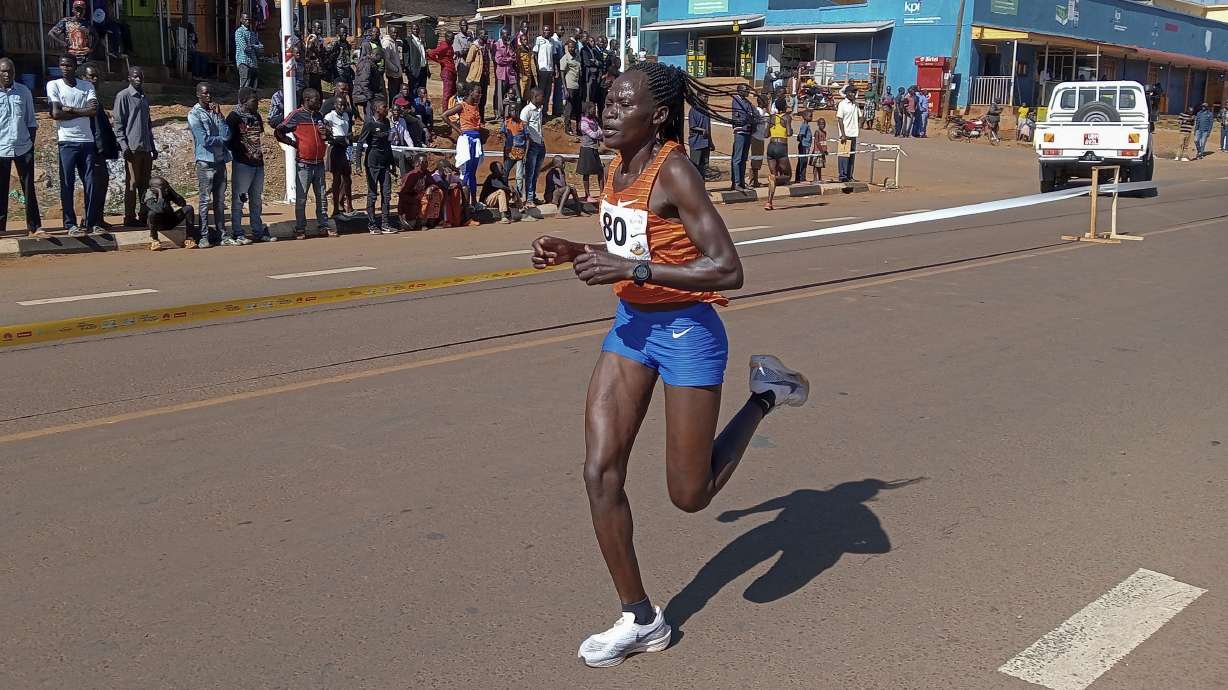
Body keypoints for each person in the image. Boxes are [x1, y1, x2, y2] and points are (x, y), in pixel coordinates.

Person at [528, 61, 810, 668]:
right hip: (632, 327)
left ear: (655, 116)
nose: (607, 111)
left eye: (621, 103)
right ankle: (640, 617)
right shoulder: (615, 166)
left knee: (690, 494)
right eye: (606, 100)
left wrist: (633, 271)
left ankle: (765, 394)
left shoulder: (674, 170)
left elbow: (729, 269)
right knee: (599, 472)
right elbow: (636, 248)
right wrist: (577, 251)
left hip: (688, 333)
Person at [47, 54, 99, 237]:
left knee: (91, 183)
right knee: (67, 183)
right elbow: (56, 113)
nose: (65, 68)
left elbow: (93, 111)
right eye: (62, 65)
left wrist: (70, 109)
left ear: (75, 67)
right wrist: (81, 112)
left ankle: (91, 222)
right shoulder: (54, 85)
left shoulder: (87, 85)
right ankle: (70, 224)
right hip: (66, 141)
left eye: (68, 65)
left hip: (87, 141)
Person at [275, 87, 333, 239]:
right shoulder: (296, 115)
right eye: (317, 100)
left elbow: (326, 136)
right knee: (301, 199)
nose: (320, 102)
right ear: (307, 100)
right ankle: (300, 228)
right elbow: (279, 130)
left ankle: (323, 225)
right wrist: (293, 144)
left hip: (319, 162)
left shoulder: (319, 116)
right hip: (304, 164)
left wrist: (327, 133)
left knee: (321, 197)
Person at [0, 57, 43, 237]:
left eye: (10, 71)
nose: (7, 74)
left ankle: (34, 227)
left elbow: (31, 122)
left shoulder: (23, 91)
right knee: (1, 189)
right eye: (3, 71)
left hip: (23, 146)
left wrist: (30, 146)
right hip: (1, 148)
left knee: (28, 189)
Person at [187, 82, 231, 247]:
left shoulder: (214, 112)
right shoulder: (194, 115)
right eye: (205, 93)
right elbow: (204, 139)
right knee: (205, 200)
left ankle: (222, 234)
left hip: (220, 161)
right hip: (205, 162)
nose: (209, 96)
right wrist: (222, 139)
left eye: (210, 93)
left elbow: (227, 133)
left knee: (220, 200)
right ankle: (204, 235)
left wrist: (219, 116)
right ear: (198, 94)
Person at [113, 66, 156, 229]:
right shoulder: (123, 96)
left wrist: (153, 146)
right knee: (132, 183)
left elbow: (148, 124)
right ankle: (129, 216)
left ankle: (144, 214)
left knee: (145, 184)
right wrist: (123, 145)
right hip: (132, 148)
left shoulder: (144, 97)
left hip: (145, 147)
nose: (139, 79)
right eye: (135, 76)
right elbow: (118, 124)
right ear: (129, 78)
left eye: (141, 77)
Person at [227, 88, 270, 244]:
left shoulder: (256, 116)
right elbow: (228, 140)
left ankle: (257, 231)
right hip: (242, 164)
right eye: (254, 100)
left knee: (256, 199)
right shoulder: (234, 117)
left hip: (258, 163)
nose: (257, 103)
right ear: (243, 101)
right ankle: (237, 232)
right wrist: (241, 152)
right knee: (239, 199)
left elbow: (258, 137)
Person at [82, 65, 118, 234]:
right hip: (93, 149)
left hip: (100, 149)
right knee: (95, 184)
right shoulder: (86, 98)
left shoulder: (95, 97)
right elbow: (94, 127)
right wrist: (100, 148)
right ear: (84, 78)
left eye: (97, 77)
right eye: (91, 77)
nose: (95, 80)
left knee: (101, 183)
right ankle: (91, 221)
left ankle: (98, 218)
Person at [355, 97, 398, 234]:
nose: (387, 109)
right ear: (377, 109)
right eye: (384, 107)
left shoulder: (386, 122)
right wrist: (357, 164)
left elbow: (388, 144)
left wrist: (392, 163)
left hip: (385, 162)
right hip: (372, 162)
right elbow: (360, 143)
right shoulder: (369, 123)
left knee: (386, 194)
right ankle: (372, 224)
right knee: (373, 194)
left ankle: (385, 223)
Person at [442, 83, 484, 207]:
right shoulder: (462, 106)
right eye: (478, 92)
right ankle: (462, 202)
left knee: (472, 172)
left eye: (480, 92)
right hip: (467, 140)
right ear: (471, 92)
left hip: (476, 140)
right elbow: (444, 115)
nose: (479, 95)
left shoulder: (476, 106)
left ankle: (474, 201)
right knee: (465, 172)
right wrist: (457, 129)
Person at [323, 87, 356, 217]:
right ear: (335, 105)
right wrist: (330, 135)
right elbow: (322, 126)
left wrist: (349, 137)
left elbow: (348, 129)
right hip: (336, 148)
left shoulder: (347, 115)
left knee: (348, 179)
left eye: (344, 105)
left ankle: (349, 205)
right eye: (340, 105)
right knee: (336, 179)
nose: (342, 107)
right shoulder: (330, 116)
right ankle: (336, 208)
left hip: (346, 148)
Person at [145, 176, 196, 251]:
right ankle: (155, 240)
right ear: (153, 188)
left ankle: (189, 239)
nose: (166, 188)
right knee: (152, 213)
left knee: (188, 208)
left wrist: (172, 191)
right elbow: (159, 210)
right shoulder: (149, 196)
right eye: (163, 187)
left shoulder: (166, 191)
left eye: (166, 186)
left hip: (170, 220)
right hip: (158, 225)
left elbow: (182, 203)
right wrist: (160, 195)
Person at [396, 154, 442, 230]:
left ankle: (430, 221)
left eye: (426, 162)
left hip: (418, 203)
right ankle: (418, 222)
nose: (426, 164)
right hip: (409, 209)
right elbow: (403, 195)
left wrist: (430, 188)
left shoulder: (426, 173)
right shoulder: (412, 176)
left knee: (437, 192)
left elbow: (435, 183)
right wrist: (416, 202)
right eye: (423, 162)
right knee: (424, 198)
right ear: (417, 163)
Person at [763, 96, 792, 211]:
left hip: (771, 146)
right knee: (788, 176)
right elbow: (789, 133)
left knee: (773, 175)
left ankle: (769, 202)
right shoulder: (787, 117)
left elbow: (766, 135)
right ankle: (775, 178)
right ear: (785, 107)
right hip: (781, 147)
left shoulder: (771, 118)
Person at [520, 87, 546, 206]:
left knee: (536, 173)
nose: (543, 98)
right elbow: (523, 130)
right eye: (541, 96)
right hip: (532, 146)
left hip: (540, 144)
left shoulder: (540, 109)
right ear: (535, 97)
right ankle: (529, 199)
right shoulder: (526, 111)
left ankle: (533, 196)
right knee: (529, 173)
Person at [48, 1, 94, 66]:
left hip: (85, 57)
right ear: (73, 10)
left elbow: (96, 36)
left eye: (82, 10)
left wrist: (92, 48)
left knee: (83, 74)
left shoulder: (87, 24)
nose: (79, 12)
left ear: (84, 11)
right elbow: (51, 33)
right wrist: (62, 42)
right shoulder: (66, 22)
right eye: (77, 9)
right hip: (71, 56)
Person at [578, 101, 605, 202]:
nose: (595, 110)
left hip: (594, 148)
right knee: (586, 173)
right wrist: (598, 133)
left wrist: (598, 132)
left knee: (600, 171)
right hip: (586, 149)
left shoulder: (594, 120)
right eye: (593, 108)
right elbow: (594, 135)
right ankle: (587, 195)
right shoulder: (584, 122)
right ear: (587, 109)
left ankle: (602, 193)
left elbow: (599, 133)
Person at [730, 83, 754, 193]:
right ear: (740, 91)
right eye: (746, 90)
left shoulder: (747, 102)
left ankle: (742, 182)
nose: (748, 92)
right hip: (740, 132)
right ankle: (736, 183)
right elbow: (740, 116)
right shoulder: (736, 101)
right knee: (737, 159)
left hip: (747, 132)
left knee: (744, 159)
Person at [501, 98, 527, 197]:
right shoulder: (506, 123)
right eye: (512, 110)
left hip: (520, 152)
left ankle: (518, 195)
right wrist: (505, 151)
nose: (514, 112)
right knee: (505, 172)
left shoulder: (523, 124)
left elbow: (527, 139)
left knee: (519, 176)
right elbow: (504, 137)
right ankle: (506, 192)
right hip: (509, 152)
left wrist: (526, 153)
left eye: (516, 110)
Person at [836, 85, 860, 183]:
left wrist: (861, 122)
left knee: (851, 156)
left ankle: (850, 176)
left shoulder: (856, 104)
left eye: (854, 93)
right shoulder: (842, 104)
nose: (853, 94)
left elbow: (860, 116)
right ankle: (843, 176)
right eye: (852, 92)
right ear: (847, 93)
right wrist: (843, 134)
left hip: (854, 134)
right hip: (845, 134)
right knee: (843, 156)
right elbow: (840, 119)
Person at [465, 30, 490, 122]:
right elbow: (468, 61)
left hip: (484, 76)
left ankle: (481, 118)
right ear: (479, 35)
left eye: (487, 34)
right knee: (476, 98)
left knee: (483, 99)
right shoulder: (474, 47)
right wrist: (471, 74)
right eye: (484, 34)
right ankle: (473, 118)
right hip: (476, 77)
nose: (486, 36)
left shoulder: (485, 46)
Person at [427, 31, 457, 109]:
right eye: (450, 39)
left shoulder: (450, 46)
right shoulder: (444, 46)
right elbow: (431, 53)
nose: (452, 40)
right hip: (447, 71)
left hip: (452, 70)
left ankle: (451, 110)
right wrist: (440, 61)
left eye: (453, 39)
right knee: (447, 93)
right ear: (446, 38)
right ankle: (445, 112)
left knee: (453, 92)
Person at [559, 39, 582, 135]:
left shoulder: (577, 57)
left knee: (578, 108)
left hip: (577, 85)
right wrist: (565, 89)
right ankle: (567, 128)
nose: (571, 49)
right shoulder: (565, 58)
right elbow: (562, 73)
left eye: (573, 47)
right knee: (569, 108)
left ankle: (578, 128)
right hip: (569, 86)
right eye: (569, 47)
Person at [234, 13, 263, 89]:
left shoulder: (252, 33)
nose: (247, 21)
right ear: (241, 20)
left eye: (249, 19)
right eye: (245, 19)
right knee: (244, 84)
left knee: (253, 86)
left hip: (253, 62)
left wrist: (253, 46)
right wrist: (254, 46)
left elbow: (261, 47)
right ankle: (241, 100)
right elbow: (245, 48)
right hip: (243, 61)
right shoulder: (239, 32)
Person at [534, 24, 557, 118]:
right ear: (542, 31)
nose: (547, 32)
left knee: (548, 92)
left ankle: (545, 112)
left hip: (550, 70)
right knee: (541, 92)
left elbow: (554, 55)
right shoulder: (538, 39)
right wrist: (537, 67)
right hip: (542, 70)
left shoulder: (552, 41)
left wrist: (555, 68)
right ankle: (538, 111)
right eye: (545, 30)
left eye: (548, 30)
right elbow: (535, 54)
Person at [493, 31, 518, 117]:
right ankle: (500, 114)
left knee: (510, 93)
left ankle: (509, 112)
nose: (507, 36)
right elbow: (499, 60)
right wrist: (509, 59)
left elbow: (514, 56)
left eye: (508, 34)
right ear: (502, 35)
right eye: (505, 34)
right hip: (501, 73)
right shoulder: (497, 45)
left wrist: (510, 48)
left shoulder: (509, 44)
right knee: (500, 94)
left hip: (510, 73)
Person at [687, 92, 711, 178]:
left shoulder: (706, 111)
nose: (706, 99)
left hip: (705, 143)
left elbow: (709, 128)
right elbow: (692, 126)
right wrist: (702, 130)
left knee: (704, 167)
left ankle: (702, 187)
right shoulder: (693, 110)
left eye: (707, 97)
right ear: (699, 97)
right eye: (705, 96)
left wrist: (710, 142)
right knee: (695, 167)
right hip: (696, 143)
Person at [749, 94, 768, 187]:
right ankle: (753, 180)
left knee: (758, 159)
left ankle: (754, 180)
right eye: (767, 101)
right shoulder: (758, 112)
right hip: (756, 137)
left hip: (760, 137)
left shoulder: (764, 112)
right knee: (755, 159)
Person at [381, 24, 404, 98]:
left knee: (399, 93)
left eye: (397, 32)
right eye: (393, 32)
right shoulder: (387, 43)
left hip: (398, 74)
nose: (395, 34)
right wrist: (395, 69)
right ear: (389, 33)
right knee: (393, 95)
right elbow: (386, 60)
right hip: (393, 75)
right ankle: (392, 108)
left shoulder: (394, 42)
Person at [404, 24, 427, 95]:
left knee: (422, 90)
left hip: (423, 69)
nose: (416, 30)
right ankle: (413, 105)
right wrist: (408, 70)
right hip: (414, 71)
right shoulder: (407, 40)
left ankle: (421, 105)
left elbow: (424, 55)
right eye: (414, 29)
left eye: (417, 29)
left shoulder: (422, 41)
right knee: (414, 89)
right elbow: (406, 56)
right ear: (411, 30)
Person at [516, 21, 536, 100]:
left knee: (527, 94)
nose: (525, 41)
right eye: (523, 40)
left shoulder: (528, 49)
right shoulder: (519, 50)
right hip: (522, 75)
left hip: (528, 74)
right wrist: (520, 73)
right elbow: (518, 62)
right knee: (522, 93)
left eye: (526, 40)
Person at [795, 109, 813, 184]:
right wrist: (801, 143)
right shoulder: (805, 126)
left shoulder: (806, 125)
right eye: (810, 116)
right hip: (804, 146)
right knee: (802, 162)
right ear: (805, 117)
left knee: (803, 161)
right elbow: (800, 135)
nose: (811, 117)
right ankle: (800, 178)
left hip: (805, 146)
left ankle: (801, 177)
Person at [453, 20, 473, 84]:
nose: (465, 27)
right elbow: (458, 52)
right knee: (461, 83)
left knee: (469, 83)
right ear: (460, 26)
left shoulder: (470, 37)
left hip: (470, 63)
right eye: (463, 25)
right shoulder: (457, 37)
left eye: (466, 25)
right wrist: (468, 49)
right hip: (462, 63)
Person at [812, 116, 829, 181]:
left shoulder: (825, 133)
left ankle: (820, 178)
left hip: (822, 151)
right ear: (818, 124)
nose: (822, 125)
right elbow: (817, 142)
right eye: (821, 124)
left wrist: (825, 150)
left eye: (824, 124)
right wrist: (821, 151)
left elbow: (824, 142)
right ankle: (815, 178)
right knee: (816, 166)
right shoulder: (817, 132)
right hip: (817, 151)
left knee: (820, 166)